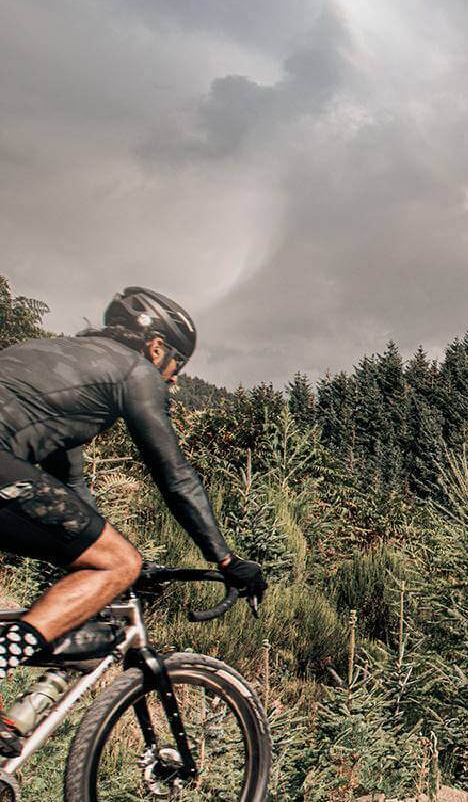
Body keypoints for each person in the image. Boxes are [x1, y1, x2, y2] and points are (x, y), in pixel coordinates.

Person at [0, 287, 268, 755]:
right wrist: (225, 560)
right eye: (177, 367)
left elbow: (72, 492)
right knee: (117, 563)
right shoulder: (134, 370)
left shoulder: (62, 364)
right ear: (157, 347)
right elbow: (175, 475)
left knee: (111, 562)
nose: (176, 380)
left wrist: (111, 559)